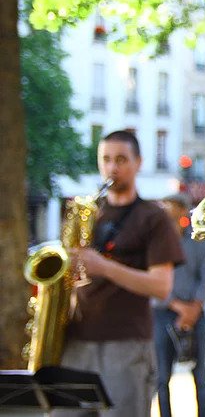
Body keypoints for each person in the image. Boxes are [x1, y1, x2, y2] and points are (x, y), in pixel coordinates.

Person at [54, 130, 184, 417]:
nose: (112, 168)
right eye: (106, 159)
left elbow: (161, 287)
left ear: (138, 163)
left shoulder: (154, 217)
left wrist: (104, 267)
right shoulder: (87, 213)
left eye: (121, 159)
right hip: (76, 342)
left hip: (125, 344)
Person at [154, 193, 205, 417]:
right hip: (164, 312)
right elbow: (152, 282)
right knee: (162, 376)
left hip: (195, 312)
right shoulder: (155, 242)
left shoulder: (197, 240)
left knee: (200, 375)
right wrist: (178, 307)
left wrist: (194, 308)